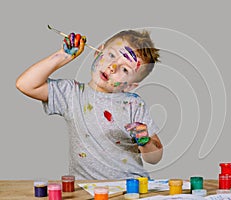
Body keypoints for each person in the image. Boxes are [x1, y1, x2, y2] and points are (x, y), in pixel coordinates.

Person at [16, 29, 163, 180]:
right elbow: (25, 84)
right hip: (85, 189)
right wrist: (63, 56)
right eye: (111, 55)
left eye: (125, 69)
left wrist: (146, 142)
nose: (112, 67)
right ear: (98, 51)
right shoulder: (72, 94)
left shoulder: (133, 104)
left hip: (131, 187)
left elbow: (155, 157)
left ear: (130, 86)